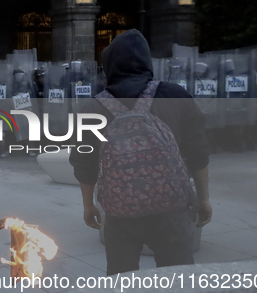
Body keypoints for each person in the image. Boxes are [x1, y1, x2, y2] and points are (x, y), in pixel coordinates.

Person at [69, 29, 212, 276]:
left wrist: (88, 205)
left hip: (120, 211)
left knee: (121, 281)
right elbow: (198, 152)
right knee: (177, 282)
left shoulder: (93, 105)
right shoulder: (175, 95)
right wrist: (203, 198)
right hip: (171, 208)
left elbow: (84, 160)